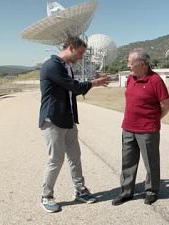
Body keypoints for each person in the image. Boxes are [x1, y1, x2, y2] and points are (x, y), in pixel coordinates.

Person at [39, 36, 109, 213]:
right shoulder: (52, 65)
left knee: (75, 157)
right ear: (70, 48)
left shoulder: (67, 67)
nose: (80, 57)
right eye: (79, 53)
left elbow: (70, 92)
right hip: (53, 120)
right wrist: (93, 83)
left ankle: (80, 190)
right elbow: (74, 87)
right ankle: (46, 196)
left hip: (68, 119)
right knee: (56, 159)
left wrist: (89, 84)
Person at [112, 48, 169, 206]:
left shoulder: (156, 80)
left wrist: (154, 119)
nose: (128, 66)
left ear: (143, 64)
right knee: (127, 162)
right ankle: (126, 192)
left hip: (147, 130)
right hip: (128, 128)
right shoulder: (130, 79)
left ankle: (151, 191)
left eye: (131, 63)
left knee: (151, 163)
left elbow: (166, 105)